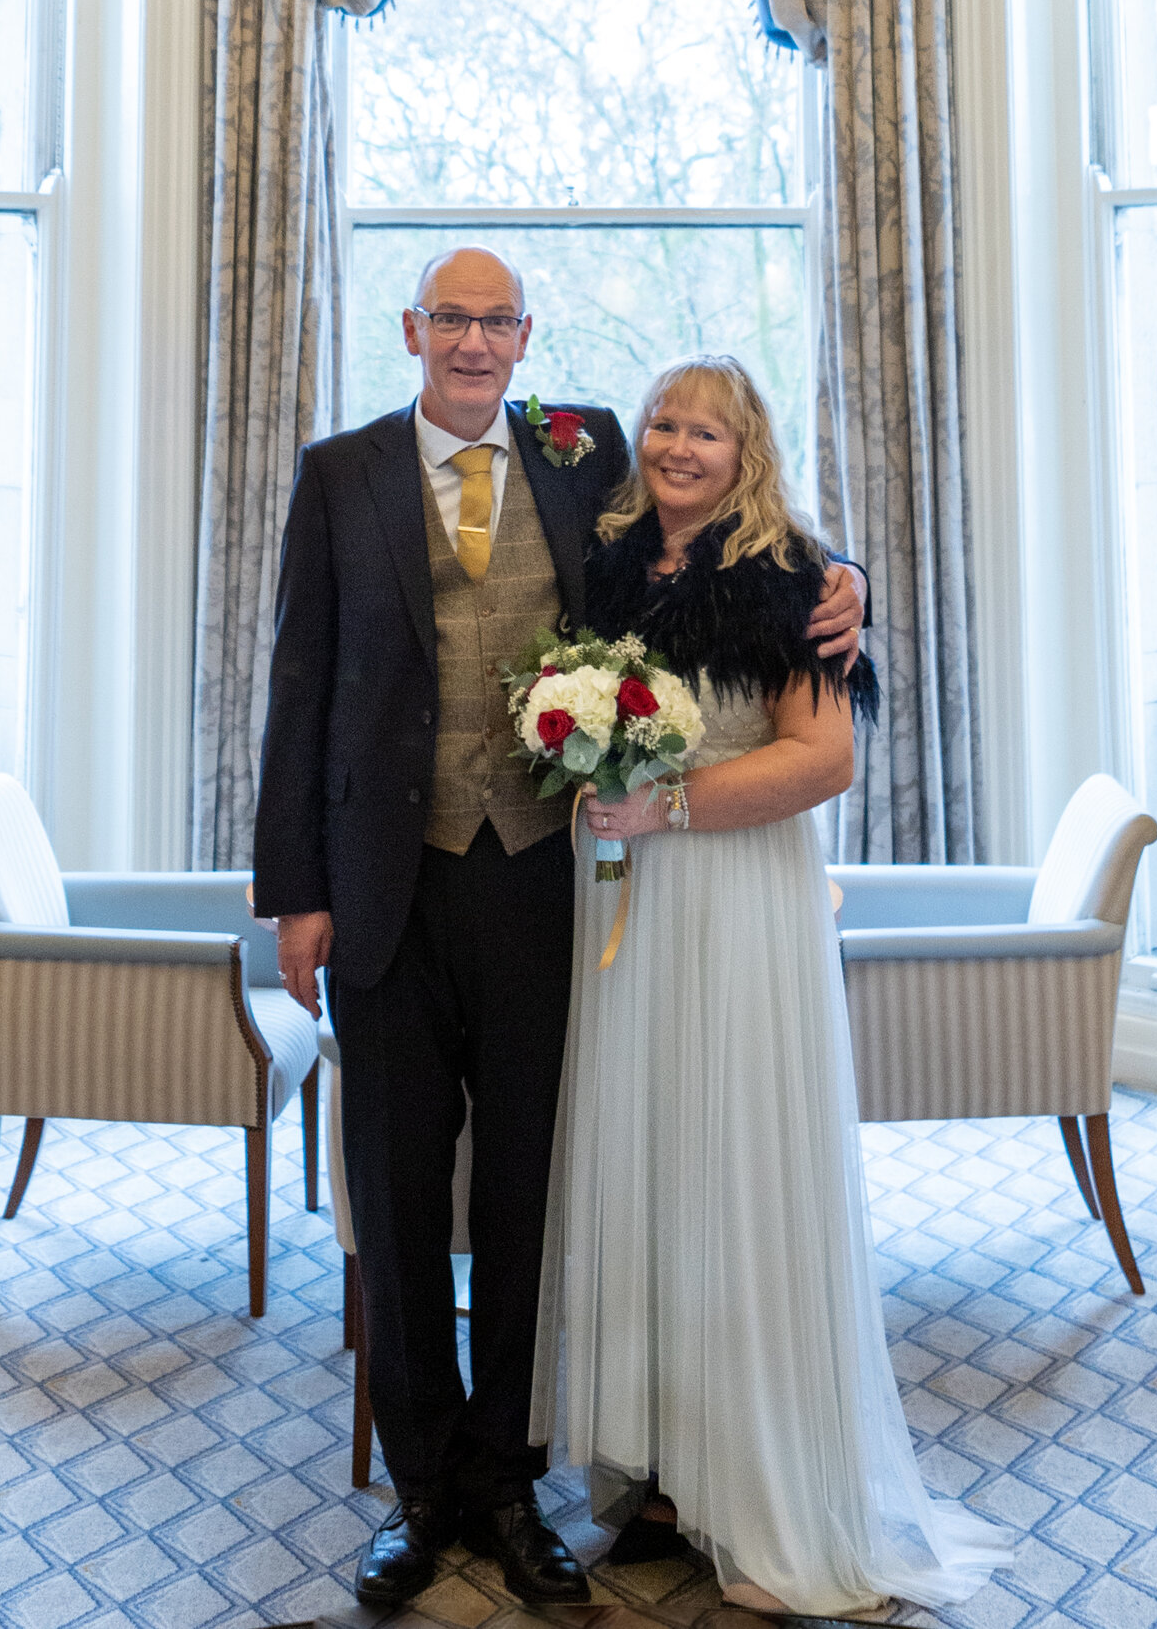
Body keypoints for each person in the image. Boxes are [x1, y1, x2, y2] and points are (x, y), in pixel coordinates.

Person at [251, 254, 867, 1618]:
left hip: (544, 883)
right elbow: (295, 680)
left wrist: (846, 578)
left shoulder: (584, 450)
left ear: (526, 338)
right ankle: (421, 1493)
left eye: (497, 320)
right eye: (450, 319)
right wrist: (294, 891)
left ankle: (512, 1476)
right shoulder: (338, 472)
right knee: (400, 1196)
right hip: (384, 885)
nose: (473, 342)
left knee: (537, 1190)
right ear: (413, 331)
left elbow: (721, 522)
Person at [537, 353, 1011, 1621]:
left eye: (708, 431)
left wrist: (670, 804)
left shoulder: (796, 583)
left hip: (739, 907)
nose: (679, 446)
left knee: (734, 1175)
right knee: (647, 1176)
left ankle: (758, 1487)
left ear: (748, 454)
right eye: (662, 424)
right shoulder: (613, 561)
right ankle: (659, 1478)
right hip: (632, 917)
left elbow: (824, 760)